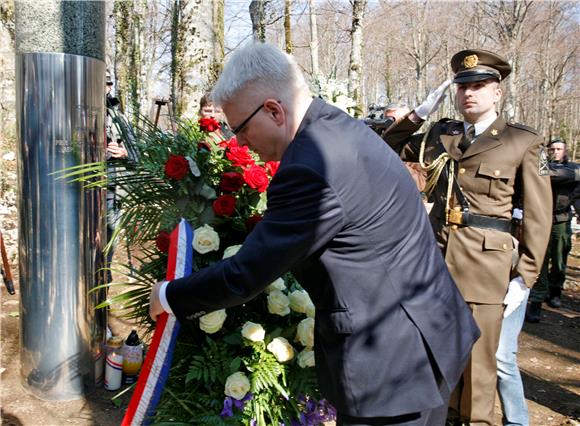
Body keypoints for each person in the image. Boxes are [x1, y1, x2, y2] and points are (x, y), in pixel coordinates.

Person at [149, 41, 480, 426]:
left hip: (392, 363)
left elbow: (246, 274)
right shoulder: (335, 125)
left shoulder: (312, 165)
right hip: (424, 334)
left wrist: (169, 294)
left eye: (239, 128)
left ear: (273, 110)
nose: (237, 142)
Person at [383, 49, 552, 425]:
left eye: (479, 86)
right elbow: (386, 145)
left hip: (485, 270)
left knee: (478, 371)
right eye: (462, 87)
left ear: (498, 93)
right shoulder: (442, 134)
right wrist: (418, 114)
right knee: (436, 366)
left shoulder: (521, 141)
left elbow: (540, 217)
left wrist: (525, 277)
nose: (468, 94)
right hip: (432, 265)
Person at [526, 138, 579, 322]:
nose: (555, 151)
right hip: (541, 220)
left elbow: (575, 186)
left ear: (565, 151)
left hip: (561, 221)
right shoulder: (543, 167)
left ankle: (555, 291)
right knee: (540, 259)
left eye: (559, 149)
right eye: (552, 149)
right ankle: (537, 299)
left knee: (559, 258)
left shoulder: (573, 168)